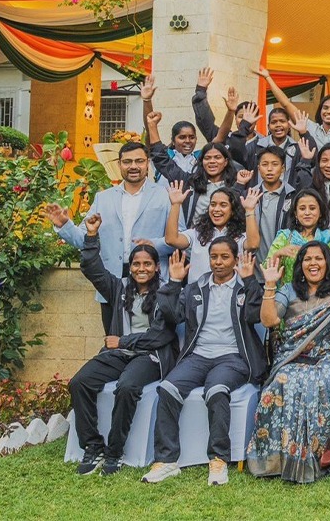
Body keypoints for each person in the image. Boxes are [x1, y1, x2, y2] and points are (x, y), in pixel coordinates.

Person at [143, 241, 266, 486]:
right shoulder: (195, 288)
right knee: (167, 388)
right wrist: (175, 283)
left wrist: (251, 280)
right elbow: (172, 315)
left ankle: (218, 458)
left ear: (235, 259)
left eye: (224, 257)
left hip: (233, 357)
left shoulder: (244, 287)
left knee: (216, 390)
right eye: (213, 257)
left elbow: (256, 315)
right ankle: (166, 461)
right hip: (198, 356)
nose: (218, 262)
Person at [69, 214, 178, 477]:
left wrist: (123, 341)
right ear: (130, 267)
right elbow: (92, 269)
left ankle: (114, 451)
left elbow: (160, 335)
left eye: (148, 264)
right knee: (79, 382)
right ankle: (93, 446)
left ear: (156, 267)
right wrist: (92, 236)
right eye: (136, 264)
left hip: (150, 357)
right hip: (118, 353)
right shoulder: (119, 288)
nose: (142, 268)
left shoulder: (165, 293)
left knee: (127, 387)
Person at [247, 244, 330, 483]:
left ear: (328, 263)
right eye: (307, 259)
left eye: (319, 259)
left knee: (320, 383)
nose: (313, 263)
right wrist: (270, 284)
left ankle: (315, 456)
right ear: (300, 264)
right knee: (283, 382)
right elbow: (269, 320)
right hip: (293, 356)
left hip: (329, 356)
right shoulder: (289, 291)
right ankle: (275, 460)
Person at [46, 142, 173, 334]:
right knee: (113, 340)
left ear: (147, 163)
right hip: (111, 282)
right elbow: (85, 240)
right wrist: (64, 225)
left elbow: (177, 239)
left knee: (152, 340)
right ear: (119, 164)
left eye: (139, 161)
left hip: (151, 279)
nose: (133, 166)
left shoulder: (164, 196)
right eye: (127, 161)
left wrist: (153, 245)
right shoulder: (103, 198)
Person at [148, 109, 240, 227]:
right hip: (196, 238)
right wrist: (152, 125)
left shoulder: (235, 184)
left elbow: (220, 139)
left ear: (226, 161)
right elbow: (161, 159)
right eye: (208, 158)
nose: (212, 161)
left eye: (217, 157)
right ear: (201, 161)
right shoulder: (191, 182)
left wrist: (231, 111)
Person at [259, 59, 330, 150]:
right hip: (314, 179)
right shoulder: (309, 128)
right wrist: (268, 77)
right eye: (325, 108)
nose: (329, 111)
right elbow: (286, 103)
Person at [164, 183, 260, 280]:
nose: (216, 209)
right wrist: (176, 205)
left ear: (232, 210)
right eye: (213, 205)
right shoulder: (197, 233)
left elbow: (253, 245)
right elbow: (171, 239)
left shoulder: (239, 236)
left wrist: (250, 210)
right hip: (198, 293)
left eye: (223, 205)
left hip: (231, 292)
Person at [265, 189, 330, 286]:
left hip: (325, 295)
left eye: (312, 208)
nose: (307, 213)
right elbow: (267, 271)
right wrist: (279, 254)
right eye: (302, 209)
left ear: (320, 213)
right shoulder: (284, 237)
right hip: (290, 296)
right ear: (295, 214)